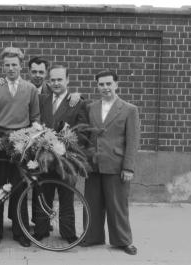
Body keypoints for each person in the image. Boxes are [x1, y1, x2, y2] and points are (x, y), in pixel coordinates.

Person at [0, 47, 40, 247]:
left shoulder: (30, 89)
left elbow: (35, 119)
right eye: (7, 65)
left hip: (20, 144)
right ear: (2, 66)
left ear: (20, 65)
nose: (11, 68)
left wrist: (28, 138)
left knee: (19, 188)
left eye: (14, 64)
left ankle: (20, 231)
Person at [83, 70, 140, 255]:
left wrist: (128, 167)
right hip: (93, 164)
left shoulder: (129, 109)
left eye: (109, 84)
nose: (105, 88)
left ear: (116, 85)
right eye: (101, 84)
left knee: (117, 205)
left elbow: (132, 141)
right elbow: (86, 135)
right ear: (97, 86)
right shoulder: (91, 107)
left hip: (116, 164)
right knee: (92, 203)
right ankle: (91, 237)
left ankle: (123, 240)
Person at [33, 65, 89, 242]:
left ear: (67, 80)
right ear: (48, 81)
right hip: (45, 157)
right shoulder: (42, 100)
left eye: (60, 79)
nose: (56, 83)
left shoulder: (78, 102)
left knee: (66, 197)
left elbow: (84, 131)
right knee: (44, 194)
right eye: (53, 80)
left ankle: (68, 233)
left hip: (67, 160)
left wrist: (67, 140)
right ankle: (41, 230)